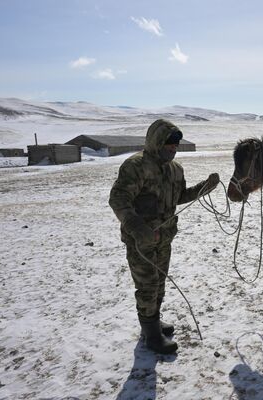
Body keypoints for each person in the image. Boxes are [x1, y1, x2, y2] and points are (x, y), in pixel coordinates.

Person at [109, 119, 219, 354]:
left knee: (159, 284)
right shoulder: (136, 166)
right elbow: (118, 200)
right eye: (169, 143)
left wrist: (205, 187)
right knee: (147, 285)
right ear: (156, 141)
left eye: (176, 145)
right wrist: (139, 229)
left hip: (165, 238)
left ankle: (153, 321)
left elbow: (180, 196)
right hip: (141, 241)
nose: (173, 148)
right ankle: (151, 335)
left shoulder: (175, 169)